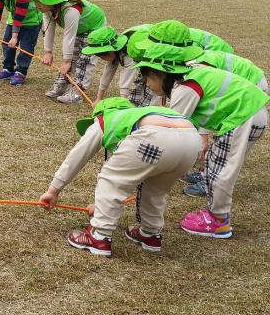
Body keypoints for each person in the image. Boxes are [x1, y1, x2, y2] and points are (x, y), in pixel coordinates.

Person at [136, 33, 268, 239]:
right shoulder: (187, 78)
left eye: (147, 79)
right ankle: (215, 214)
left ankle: (219, 221)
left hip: (245, 117)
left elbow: (171, 131)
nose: (148, 86)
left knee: (222, 170)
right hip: (245, 115)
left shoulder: (185, 88)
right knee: (215, 162)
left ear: (159, 74)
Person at [38, 97, 200, 257]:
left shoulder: (105, 119)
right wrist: (101, 206)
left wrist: (53, 191)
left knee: (110, 179)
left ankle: (99, 236)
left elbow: (77, 157)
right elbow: (128, 167)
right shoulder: (139, 115)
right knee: (156, 188)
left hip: (153, 139)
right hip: (192, 142)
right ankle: (150, 234)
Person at [25, 0, 107, 105]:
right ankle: (63, 83)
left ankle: (77, 91)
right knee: (73, 56)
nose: (37, 4)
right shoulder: (47, 10)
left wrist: (66, 61)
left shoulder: (71, 10)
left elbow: (69, 36)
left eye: (39, 0)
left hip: (95, 27)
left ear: (51, 0)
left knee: (85, 59)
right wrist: (48, 52)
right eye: (35, 0)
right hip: (80, 28)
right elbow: (48, 30)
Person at [84, 25, 156, 106]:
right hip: (143, 50)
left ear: (111, 50)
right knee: (135, 101)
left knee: (151, 86)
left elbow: (126, 80)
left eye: (102, 55)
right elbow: (108, 72)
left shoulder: (129, 52)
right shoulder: (115, 49)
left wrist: (122, 102)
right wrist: (99, 98)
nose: (101, 58)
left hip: (155, 52)